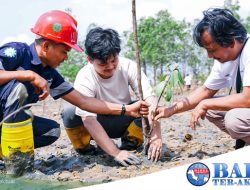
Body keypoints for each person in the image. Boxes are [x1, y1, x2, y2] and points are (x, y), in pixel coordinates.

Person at [0, 10, 148, 166]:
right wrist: (29, 75)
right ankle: (19, 166)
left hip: (5, 123)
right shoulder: (17, 52)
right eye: (64, 51)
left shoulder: (51, 76)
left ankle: (7, 154)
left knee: (51, 131)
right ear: (46, 46)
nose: (66, 58)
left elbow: (83, 102)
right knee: (18, 89)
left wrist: (126, 109)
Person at [61, 27, 162, 166]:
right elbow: (88, 120)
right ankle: (85, 149)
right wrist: (115, 153)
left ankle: (130, 143)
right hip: (96, 123)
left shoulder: (129, 66)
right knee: (69, 111)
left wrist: (156, 136)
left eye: (114, 60)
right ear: (90, 59)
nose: (110, 66)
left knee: (144, 106)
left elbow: (150, 99)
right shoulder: (84, 77)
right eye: (103, 63)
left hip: (123, 121)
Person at [154, 8, 250, 149]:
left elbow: (247, 99)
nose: (209, 56)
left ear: (231, 41)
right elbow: (205, 91)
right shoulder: (225, 59)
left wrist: (205, 104)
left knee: (234, 119)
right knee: (213, 109)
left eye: (212, 50)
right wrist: (170, 110)